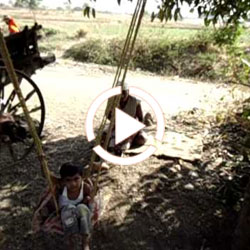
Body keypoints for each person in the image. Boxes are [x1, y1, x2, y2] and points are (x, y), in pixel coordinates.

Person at [32, 163, 100, 250]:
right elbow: (47, 175)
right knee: (68, 211)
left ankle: (85, 243)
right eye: (68, 180)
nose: (73, 183)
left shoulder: (85, 187)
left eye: (76, 179)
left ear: (81, 178)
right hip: (66, 213)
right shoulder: (61, 187)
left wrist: (89, 199)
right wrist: (41, 161)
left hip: (80, 211)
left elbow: (91, 201)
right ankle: (71, 244)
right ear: (63, 181)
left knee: (83, 208)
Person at [103, 81, 148, 155]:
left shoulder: (135, 102)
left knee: (141, 139)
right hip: (116, 125)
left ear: (128, 91)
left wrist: (132, 133)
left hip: (131, 127)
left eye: (124, 92)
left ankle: (126, 143)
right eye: (119, 93)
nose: (122, 95)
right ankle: (118, 144)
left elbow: (140, 119)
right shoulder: (112, 100)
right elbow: (108, 116)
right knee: (104, 137)